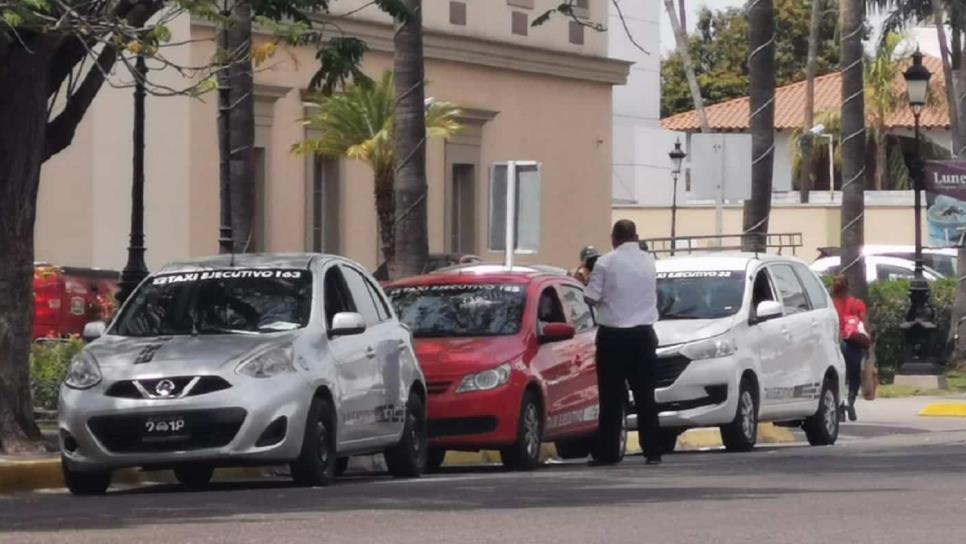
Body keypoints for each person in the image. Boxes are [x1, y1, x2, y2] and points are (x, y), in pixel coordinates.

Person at [584, 220, 662, 465]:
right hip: (644, 335)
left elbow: (590, 297)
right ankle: (653, 450)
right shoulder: (649, 262)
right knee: (645, 395)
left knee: (611, 397)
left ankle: (607, 451)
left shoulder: (605, 262)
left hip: (614, 336)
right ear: (636, 237)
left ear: (614, 239)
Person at [831, 274, 869, 422]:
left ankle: (840, 408)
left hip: (837, 343)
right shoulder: (857, 303)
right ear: (848, 287)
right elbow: (864, 325)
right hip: (854, 343)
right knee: (854, 376)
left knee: (839, 377)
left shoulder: (831, 304)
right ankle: (851, 402)